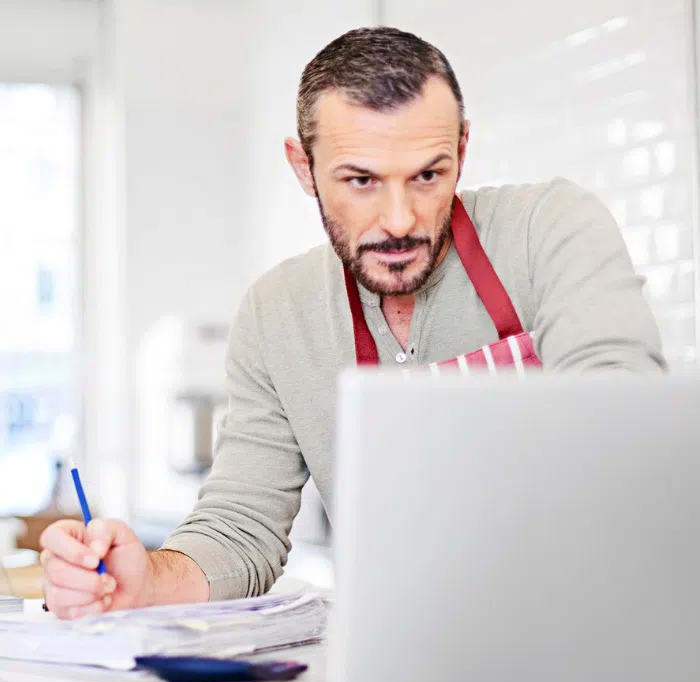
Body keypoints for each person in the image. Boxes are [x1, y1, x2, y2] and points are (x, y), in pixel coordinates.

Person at [39, 27, 665, 619]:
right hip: (408, 658)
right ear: (303, 167)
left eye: (427, 174)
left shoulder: (548, 230)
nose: (399, 219)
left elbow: (626, 423)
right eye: (361, 180)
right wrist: (148, 581)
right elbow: (240, 528)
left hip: (590, 628)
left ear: (463, 149)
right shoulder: (277, 312)